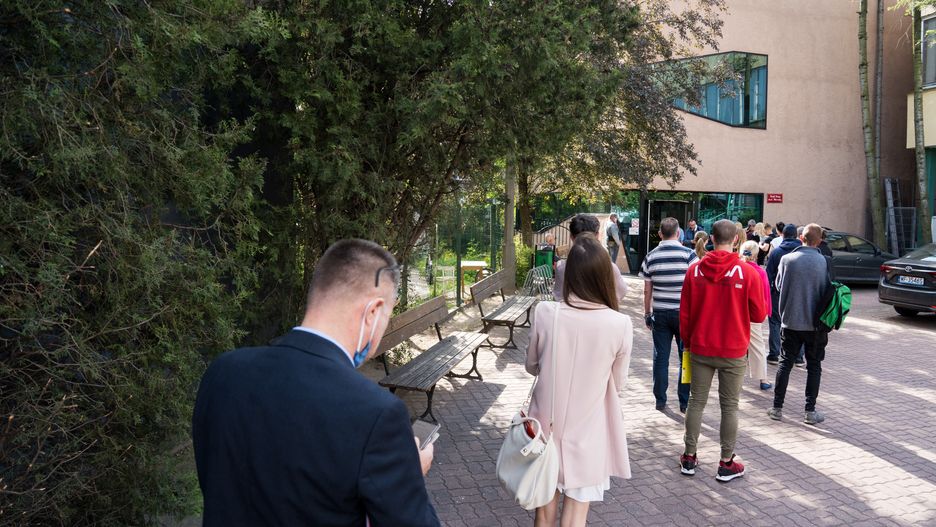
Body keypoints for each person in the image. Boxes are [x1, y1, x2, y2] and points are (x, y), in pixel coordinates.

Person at [193, 239, 440, 527]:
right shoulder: (377, 413)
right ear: (373, 312)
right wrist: (408, 476)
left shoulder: (223, 372)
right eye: (387, 317)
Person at [527, 235, 633, 527]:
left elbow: (531, 366)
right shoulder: (620, 324)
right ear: (605, 276)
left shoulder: (545, 313)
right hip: (589, 431)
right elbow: (618, 384)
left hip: (545, 428)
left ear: (569, 273)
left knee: (543, 513)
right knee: (575, 516)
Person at [678, 220, 768, 483]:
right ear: (736, 239)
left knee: (696, 401)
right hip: (733, 349)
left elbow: (685, 313)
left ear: (711, 239)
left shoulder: (694, 270)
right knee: (729, 407)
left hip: (700, 346)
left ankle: (689, 457)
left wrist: (688, 343)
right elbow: (759, 315)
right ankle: (726, 462)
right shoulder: (747, 272)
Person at [768, 224, 832, 426]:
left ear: (801, 238)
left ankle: (777, 408)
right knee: (814, 366)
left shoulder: (787, 260)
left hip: (790, 321)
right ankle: (809, 411)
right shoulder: (824, 261)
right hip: (815, 325)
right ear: (819, 241)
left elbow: (778, 286)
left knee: (785, 363)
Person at [639, 217, 697, 413]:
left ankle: (660, 399)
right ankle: (684, 401)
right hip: (684, 315)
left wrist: (647, 313)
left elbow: (647, 290)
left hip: (660, 313)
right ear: (678, 233)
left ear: (659, 234)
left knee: (661, 357)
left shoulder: (651, 257)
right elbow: (696, 286)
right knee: (685, 357)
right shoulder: (689, 255)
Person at [554, 214, 628, 302]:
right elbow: (621, 292)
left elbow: (559, 296)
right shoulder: (611, 268)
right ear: (597, 235)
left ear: (571, 237)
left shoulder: (561, 267)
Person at [764, 224, 801, 365]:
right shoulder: (802, 252)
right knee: (798, 323)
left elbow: (768, 275)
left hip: (778, 293)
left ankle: (774, 354)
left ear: (782, 235)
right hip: (798, 294)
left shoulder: (776, 252)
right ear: (796, 236)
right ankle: (798, 357)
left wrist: (769, 293)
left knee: (775, 322)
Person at [740, 241, 772, 390]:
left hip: (736, 314)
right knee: (758, 346)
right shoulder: (760, 272)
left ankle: (735, 379)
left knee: (737, 347)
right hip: (753, 315)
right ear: (756, 254)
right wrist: (766, 312)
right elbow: (765, 295)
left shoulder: (736, 269)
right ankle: (763, 379)